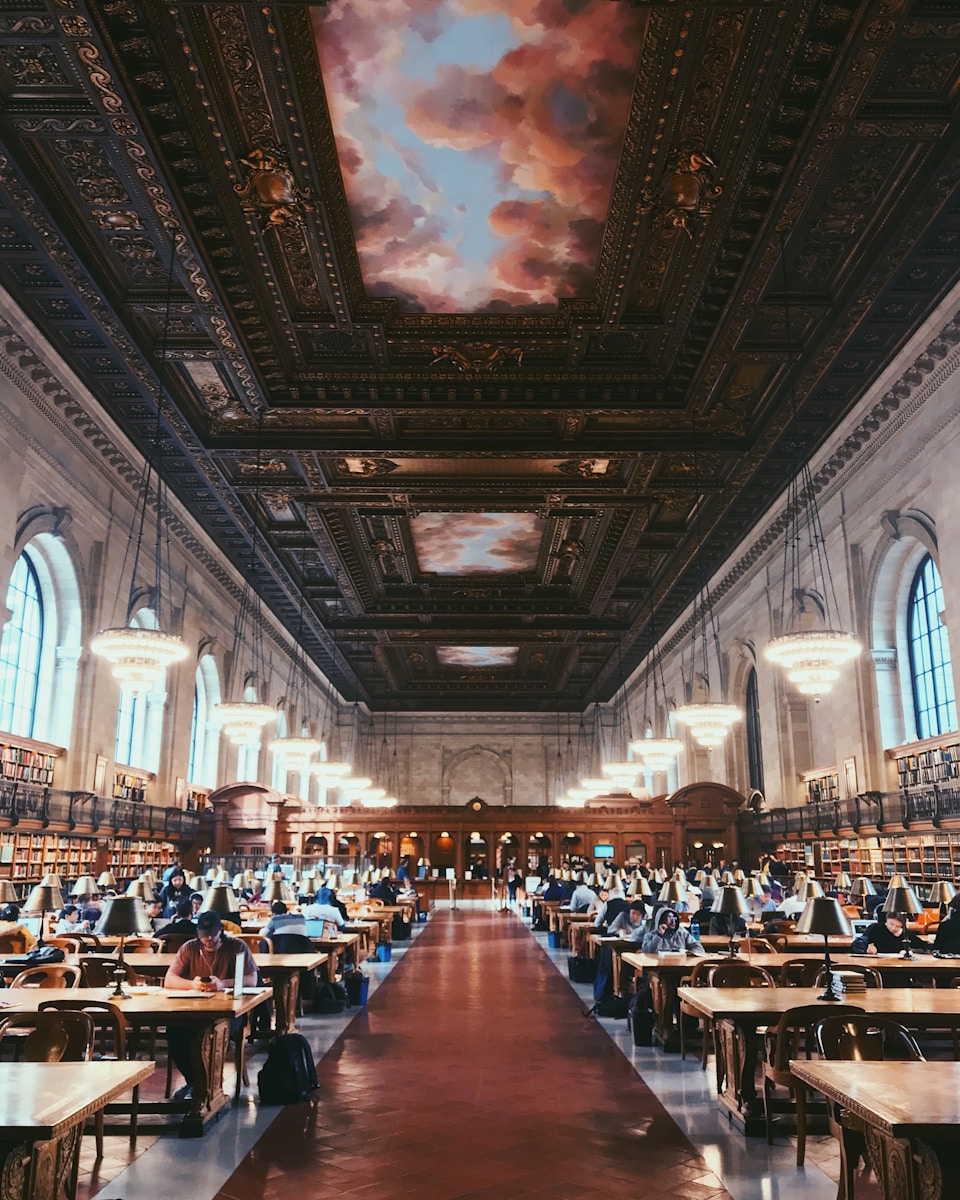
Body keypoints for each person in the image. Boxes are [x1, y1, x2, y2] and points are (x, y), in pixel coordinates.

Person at [163, 911, 258, 1100]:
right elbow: (169, 979)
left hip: (230, 1011)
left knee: (211, 1033)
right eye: (204, 934)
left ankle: (208, 1086)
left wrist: (223, 984)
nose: (208, 939)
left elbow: (252, 979)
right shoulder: (190, 948)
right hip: (195, 1009)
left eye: (212, 934)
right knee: (174, 1031)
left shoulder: (236, 946)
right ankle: (193, 1081)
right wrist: (192, 985)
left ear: (220, 931)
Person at [865, 911, 929, 955]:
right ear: (886, 920)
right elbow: (861, 943)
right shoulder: (875, 929)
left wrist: (910, 951)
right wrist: (867, 950)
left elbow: (925, 947)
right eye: (891, 924)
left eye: (897, 926)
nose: (893, 928)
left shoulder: (906, 935)